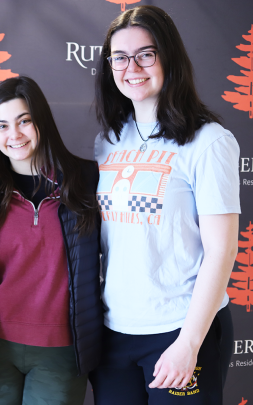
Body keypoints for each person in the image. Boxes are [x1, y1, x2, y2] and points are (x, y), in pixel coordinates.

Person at [89, 5, 240, 404]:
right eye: (120, 57)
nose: (132, 67)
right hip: (115, 334)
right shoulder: (109, 141)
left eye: (146, 54)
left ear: (168, 57)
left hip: (181, 329)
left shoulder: (208, 142)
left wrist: (188, 343)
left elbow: (222, 250)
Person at [0, 76, 103, 405]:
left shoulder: (86, 181)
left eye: (24, 121)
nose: (14, 135)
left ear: (41, 120)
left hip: (62, 349)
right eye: (2, 126)